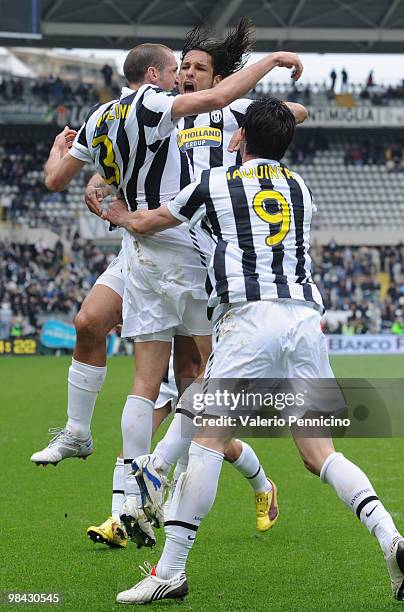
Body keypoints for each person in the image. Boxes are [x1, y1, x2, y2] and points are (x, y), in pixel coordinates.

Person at [105, 99, 404, 605]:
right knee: (320, 454)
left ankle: (171, 569)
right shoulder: (300, 188)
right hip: (303, 322)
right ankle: (389, 535)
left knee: (206, 442)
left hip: (250, 320)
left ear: (241, 136)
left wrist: (113, 208)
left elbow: (146, 224)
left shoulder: (214, 184)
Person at [34, 35, 304, 547]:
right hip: (143, 246)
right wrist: (101, 185)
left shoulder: (228, 114)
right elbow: (126, 166)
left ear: (218, 79)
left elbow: (293, 111)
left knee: (194, 394)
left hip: (196, 256)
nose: (187, 74)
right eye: (182, 67)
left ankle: (258, 482)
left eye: (198, 68)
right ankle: (125, 506)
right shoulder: (163, 114)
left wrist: (254, 121)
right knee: (94, 324)